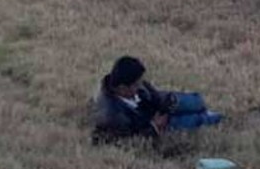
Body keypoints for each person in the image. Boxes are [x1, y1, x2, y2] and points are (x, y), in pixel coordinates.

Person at [92, 56, 222, 145]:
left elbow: (151, 93)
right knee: (206, 119)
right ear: (122, 88)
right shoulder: (111, 115)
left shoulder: (130, 85)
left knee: (197, 101)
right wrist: (154, 127)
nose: (140, 86)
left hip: (158, 109)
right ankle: (207, 117)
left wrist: (166, 104)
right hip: (153, 124)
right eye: (136, 85)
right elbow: (129, 141)